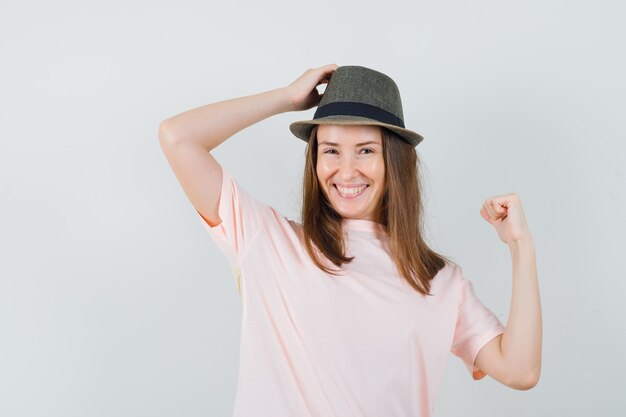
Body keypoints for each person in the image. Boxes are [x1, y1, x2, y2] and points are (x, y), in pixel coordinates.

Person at [158, 64, 542, 417]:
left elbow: (520, 370)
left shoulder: (437, 280)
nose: (346, 170)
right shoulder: (267, 240)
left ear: (395, 160)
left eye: (365, 151)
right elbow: (178, 138)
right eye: (330, 151)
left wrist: (520, 246)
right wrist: (287, 99)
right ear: (315, 160)